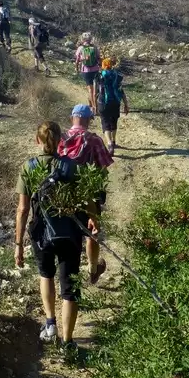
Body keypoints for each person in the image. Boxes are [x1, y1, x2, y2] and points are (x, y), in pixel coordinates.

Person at [15, 121, 99, 350]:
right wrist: (93, 218)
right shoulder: (72, 167)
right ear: (61, 140)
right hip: (69, 234)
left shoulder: (29, 167)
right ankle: (68, 342)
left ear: (37, 140)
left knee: (46, 275)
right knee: (69, 285)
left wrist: (18, 244)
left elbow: (23, 210)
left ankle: (50, 323)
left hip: (42, 233)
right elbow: (89, 200)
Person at [57, 104, 111, 285]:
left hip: (64, 195)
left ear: (73, 118)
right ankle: (92, 270)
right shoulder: (94, 140)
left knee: (68, 232)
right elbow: (104, 167)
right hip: (89, 194)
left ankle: (67, 274)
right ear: (88, 120)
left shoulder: (60, 139)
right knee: (91, 233)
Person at [97, 57, 129, 155]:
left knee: (105, 123)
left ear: (103, 66)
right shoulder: (117, 76)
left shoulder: (99, 76)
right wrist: (126, 104)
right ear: (111, 65)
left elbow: (96, 91)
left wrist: (94, 104)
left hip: (103, 103)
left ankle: (110, 144)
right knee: (114, 121)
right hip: (115, 102)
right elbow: (121, 91)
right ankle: (114, 142)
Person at [75, 33, 101, 114]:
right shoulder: (94, 48)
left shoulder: (80, 48)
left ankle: (93, 108)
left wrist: (76, 68)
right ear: (90, 39)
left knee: (90, 90)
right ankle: (95, 106)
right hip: (95, 70)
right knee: (95, 90)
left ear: (82, 39)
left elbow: (77, 60)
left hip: (86, 71)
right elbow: (98, 58)